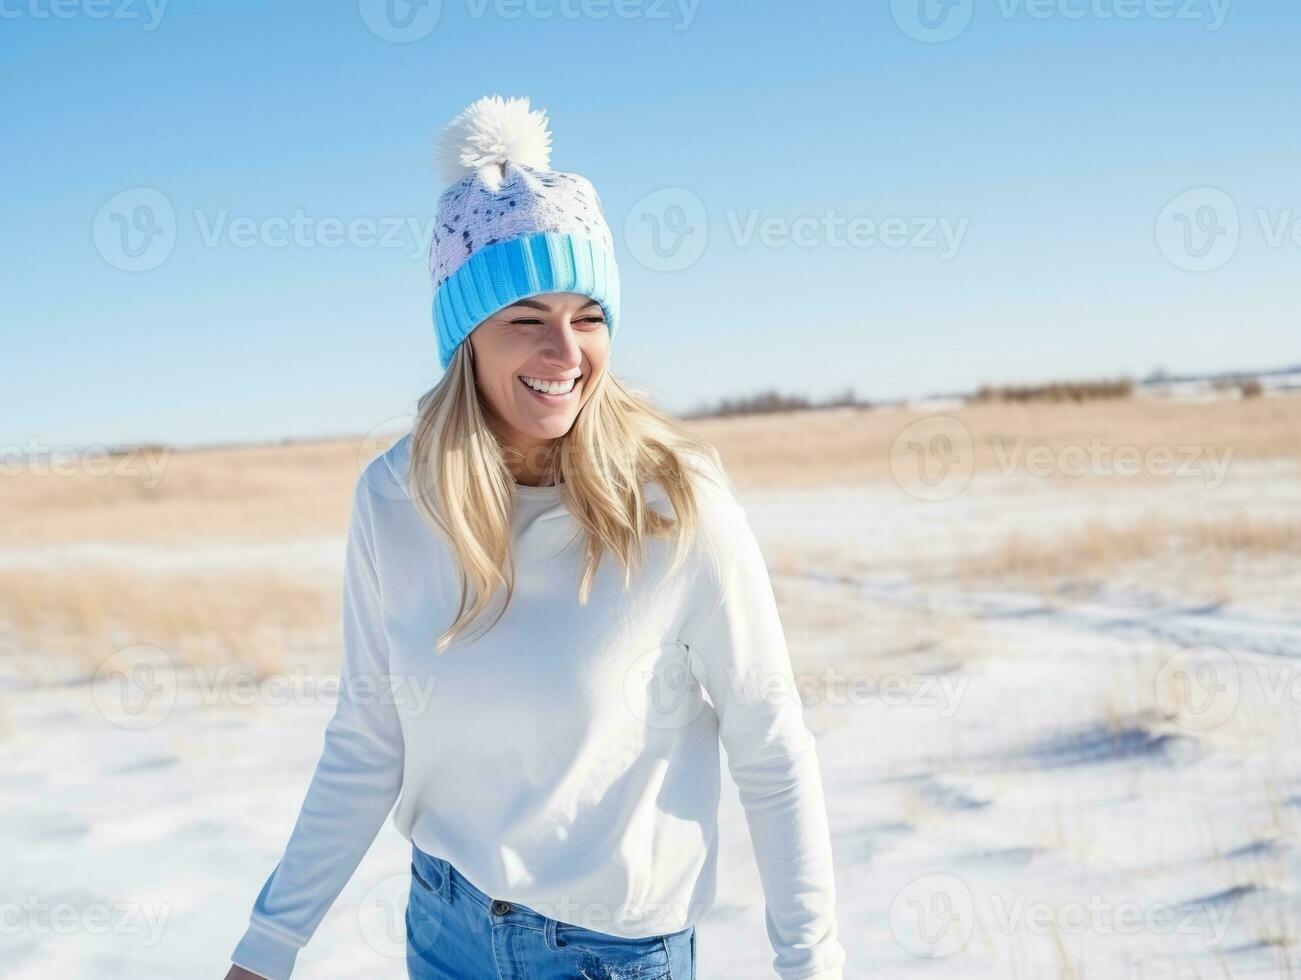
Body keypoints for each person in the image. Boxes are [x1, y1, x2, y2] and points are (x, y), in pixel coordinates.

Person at [226, 93, 846, 980]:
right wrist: (269, 941)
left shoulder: (676, 501)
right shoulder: (395, 500)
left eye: (587, 315)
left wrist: (811, 962)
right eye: (525, 318)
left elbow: (769, 736)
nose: (565, 352)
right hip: (444, 928)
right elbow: (369, 739)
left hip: (610, 953)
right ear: (464, 338)